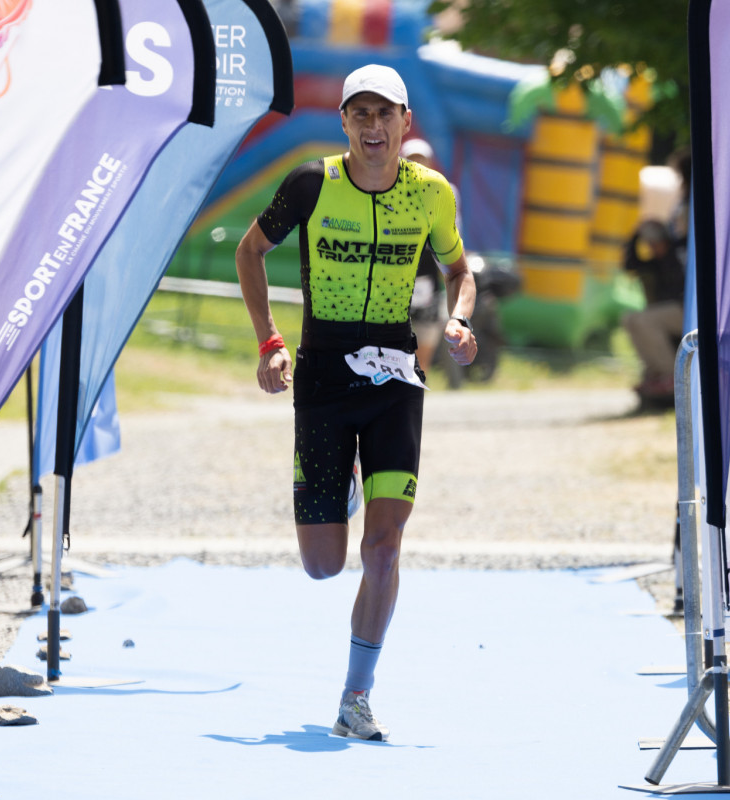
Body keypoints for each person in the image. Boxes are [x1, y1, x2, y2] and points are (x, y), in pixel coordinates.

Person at [233, 64, 477, 742]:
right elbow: (250, 252)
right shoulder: (312, 183)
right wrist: (269, 343)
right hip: (323, 374)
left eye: (385, 114)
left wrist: (459, 321)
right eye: (360, 114)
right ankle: (340, 484)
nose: (374, 127)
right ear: (343, 122)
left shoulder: (431, 194)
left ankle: (356, 697)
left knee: (384, 549)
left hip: (395, 375)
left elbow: (459, 270)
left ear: (405, 122)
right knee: (322, 565)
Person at [622, 150, 690, 408]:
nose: (652, 247)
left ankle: (671, 376)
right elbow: (630, 265)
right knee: (631, 319)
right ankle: (657, 373)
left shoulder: (678, 252)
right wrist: (636, 235)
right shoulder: (658, 261)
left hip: (684, 309)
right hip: (671, 310)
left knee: (643, 320)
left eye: (655, 242)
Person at [399, 138, 459, 376]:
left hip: (428, 283)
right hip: (395, 284)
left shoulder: (443, 192)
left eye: (421, 160)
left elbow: (454, 237)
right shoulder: (389, 192)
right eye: (411, 160)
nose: (417, 165)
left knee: (423, 351)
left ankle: (418, 389)